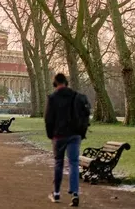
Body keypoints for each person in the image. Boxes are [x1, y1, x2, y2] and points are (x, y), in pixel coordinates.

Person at [45, 73, 89, 206]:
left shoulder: (53, 98)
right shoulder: (76, 96)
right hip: (75, 134)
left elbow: (48, 119)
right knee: (74, 163)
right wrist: (81, 132)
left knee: (59, 163)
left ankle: (57, 193)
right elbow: (84, 114)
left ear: (55, 83)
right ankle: (75, 193)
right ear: (66, 82)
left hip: (59, 135)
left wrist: (50, 134)